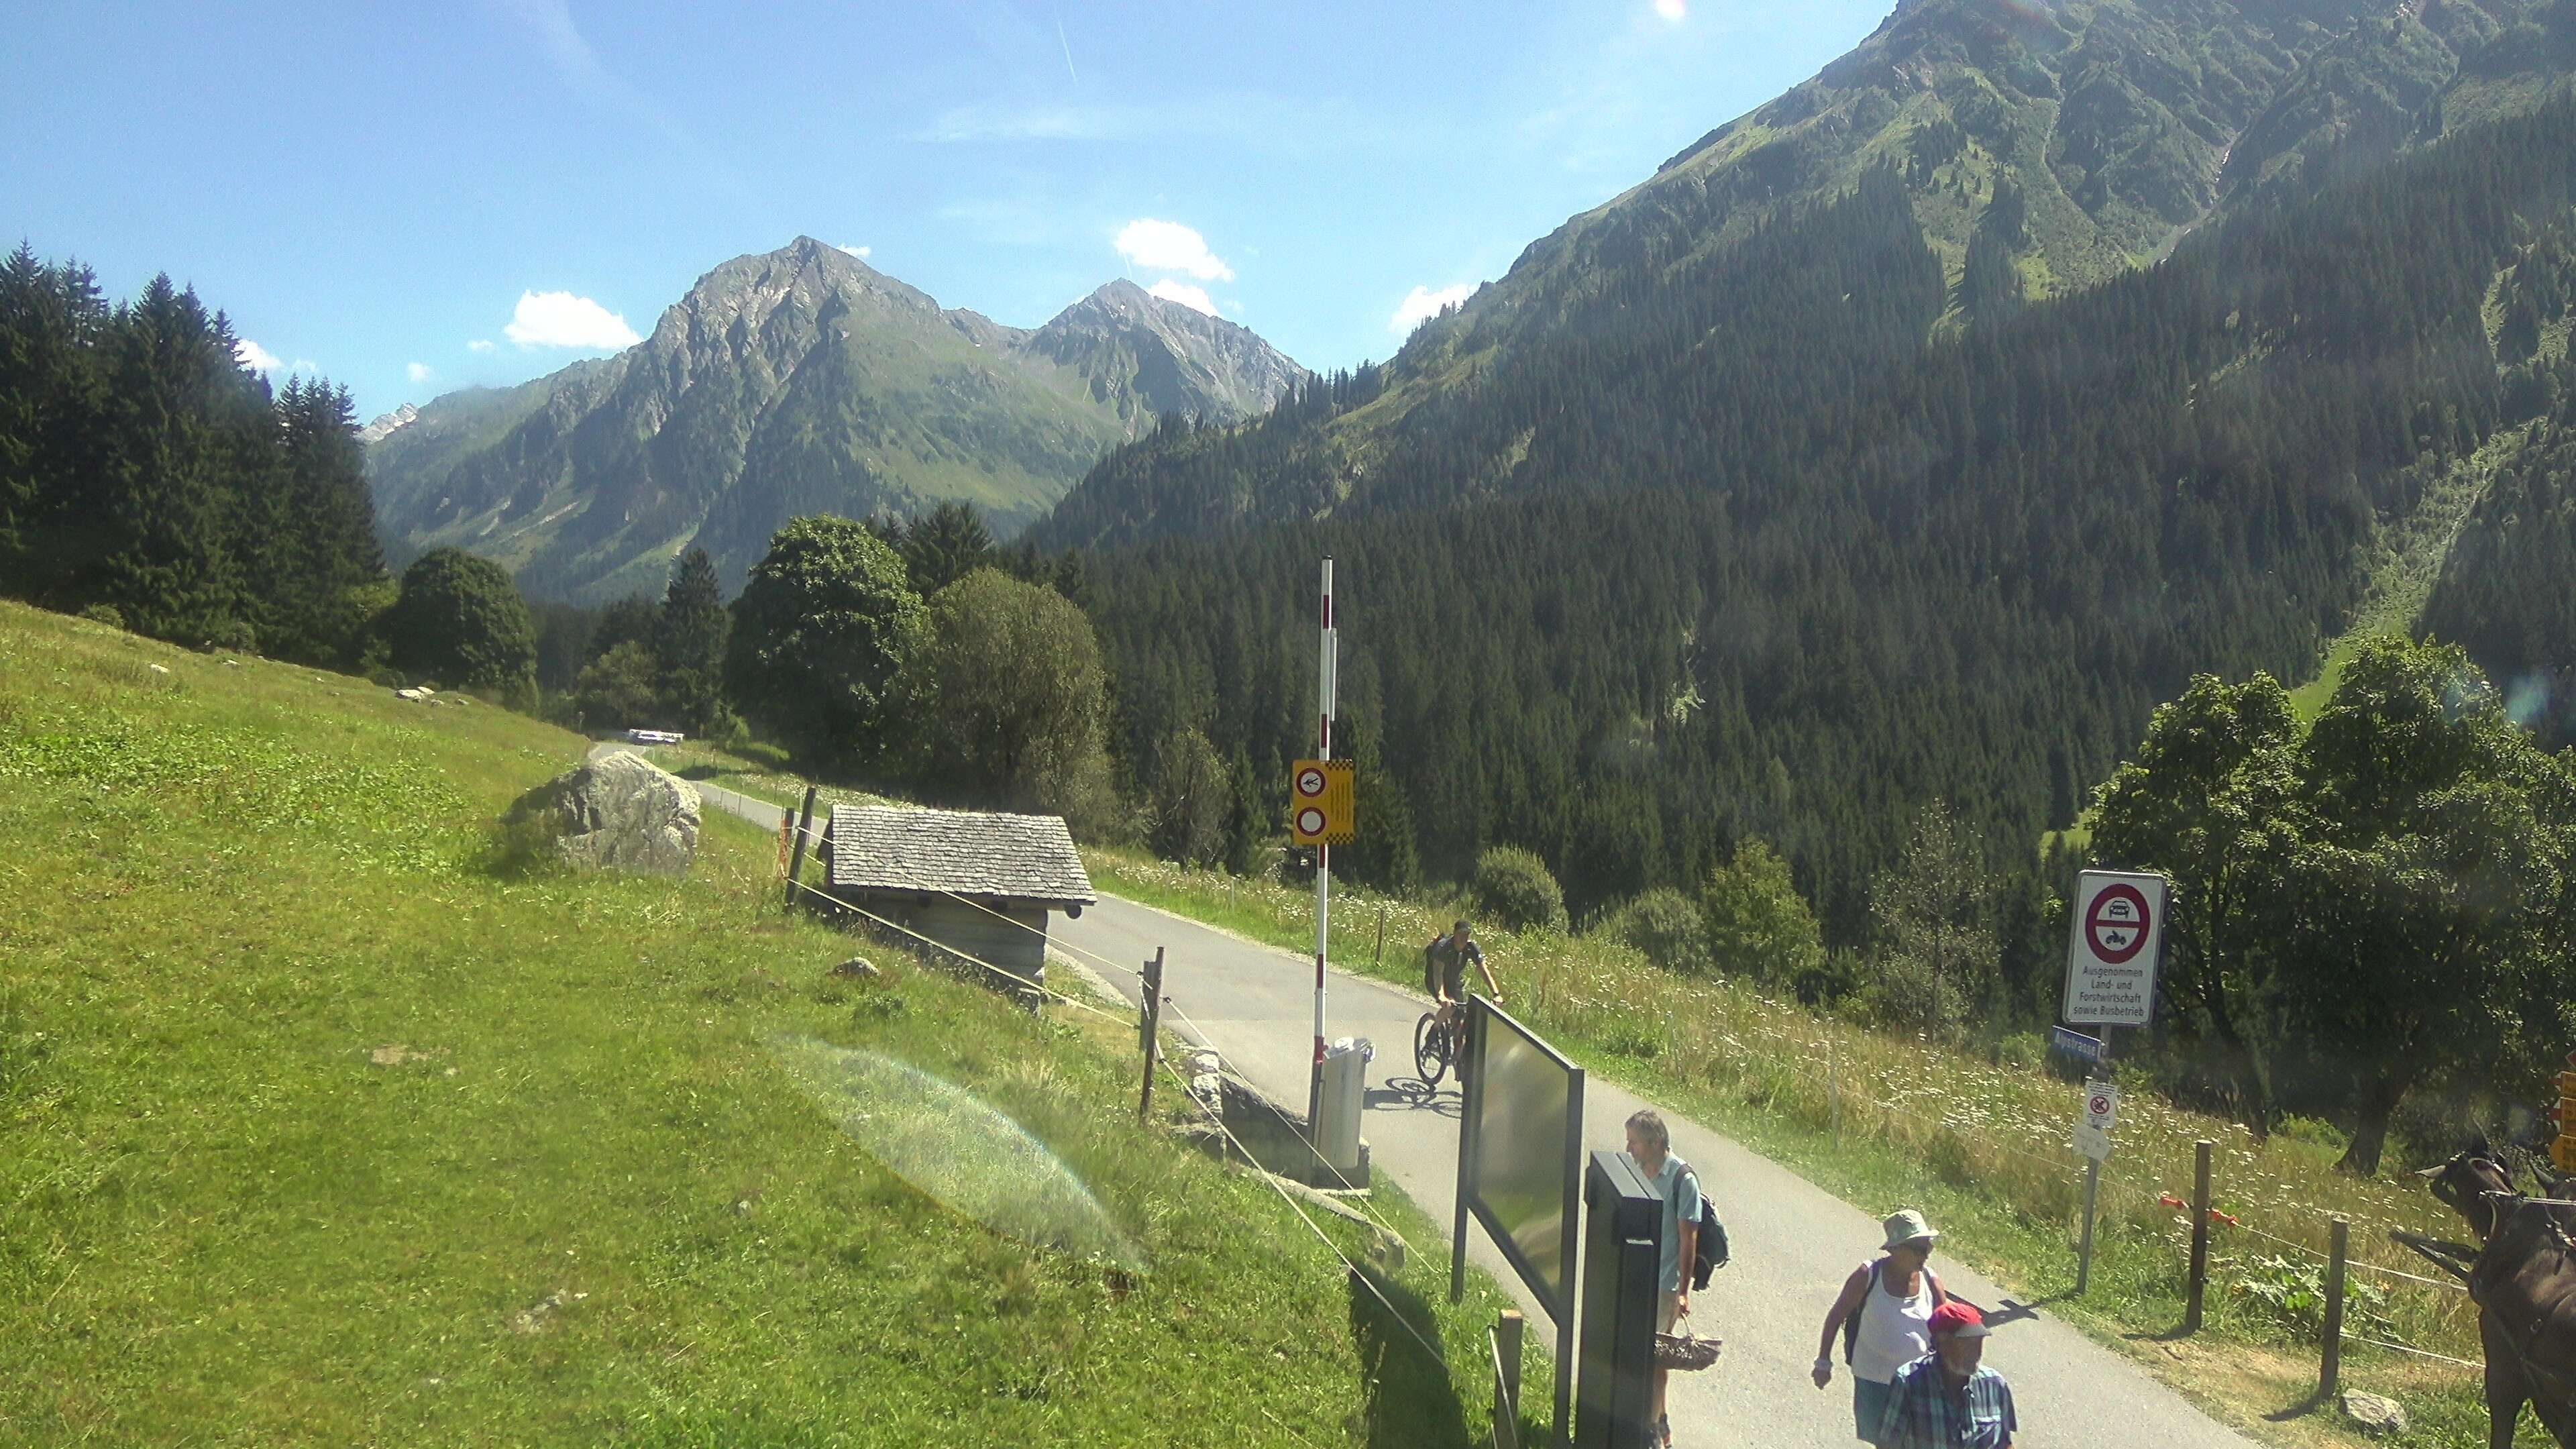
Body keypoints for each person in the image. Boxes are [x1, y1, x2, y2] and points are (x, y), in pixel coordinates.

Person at [1813, 1210, 1951, 1444]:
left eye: (1928, 1246)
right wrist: (1823, 1362)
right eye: (1919, 1248)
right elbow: (1836, 1316)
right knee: (1886, 1443)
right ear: (1896, 1249)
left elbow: (1949, 1326)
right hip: (1875, 1381)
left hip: (1918, 1384)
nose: (1926, 1254)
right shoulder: (1868, 1275)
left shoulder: (1930, 1279)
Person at [1625, 1109, 1703, 1449]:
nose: (1629, 1149)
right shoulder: (1638, 1170)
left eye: (1635, 1143)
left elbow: (1689, 1239)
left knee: (1654, 1359)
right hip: (1637, 1277)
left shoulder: (1682, 1179)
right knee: (1635, 1353)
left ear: (1655, 1142)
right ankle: (1661, 1422)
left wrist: (1683, 1292)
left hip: (1665, 1285)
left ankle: (1649, 1430)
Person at [1875, 1301, 2017, 1448]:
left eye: (1979, 1342)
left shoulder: (1994, 1384)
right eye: (1967, 1344)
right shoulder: (1908, 1383)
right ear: (1941, 1344)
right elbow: (1887, 1444)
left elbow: (2005, 1443)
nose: (1976, 1352)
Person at [1424, 919, 1503, 1025]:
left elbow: (1484, 972)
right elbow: (1438, 973)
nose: (1464, 938)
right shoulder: (1444, 947)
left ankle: (1456, 1038)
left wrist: (1496, 994)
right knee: (1449, 1008)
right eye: (1461, 934)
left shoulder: (1471, 948)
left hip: (1453, 981)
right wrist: (1442, 996)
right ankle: (1433, 1033)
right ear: (1455, 933)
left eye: (1467, 935)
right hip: (1434, 980)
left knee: (1461, 1015)